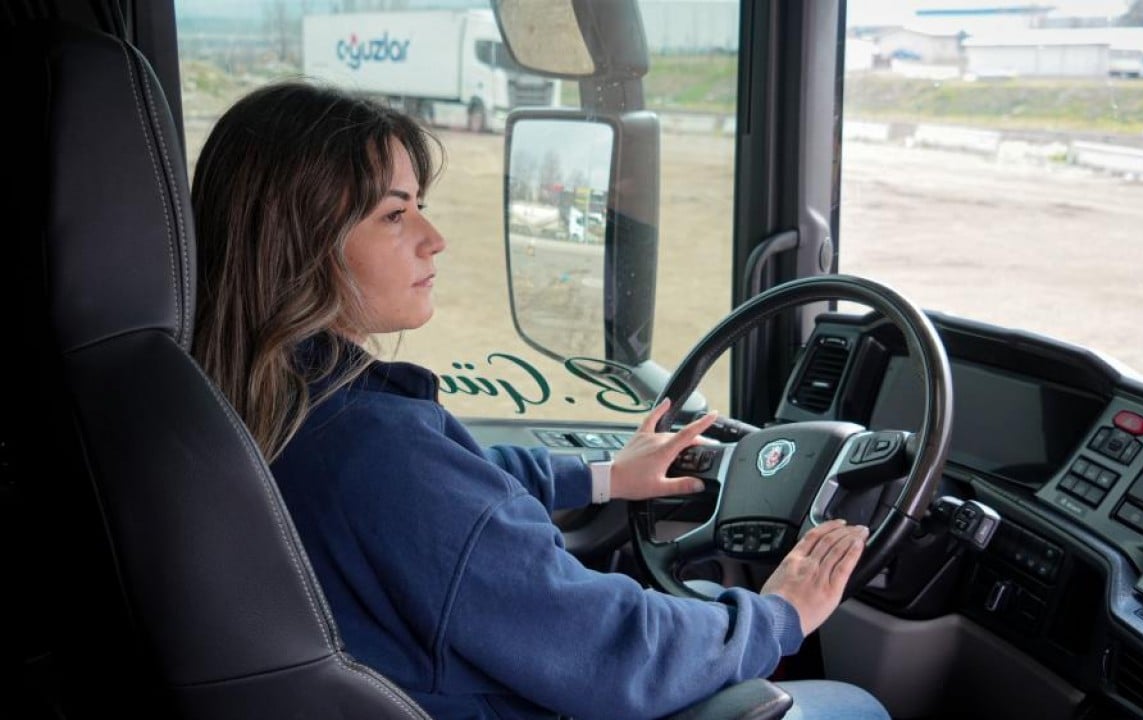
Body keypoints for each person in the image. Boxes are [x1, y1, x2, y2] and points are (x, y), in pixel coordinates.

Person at [191, 80, 889, 720]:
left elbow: (456, 489)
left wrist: (602, 477)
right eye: (396, 215)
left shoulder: (262, 402)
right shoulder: (375, 450)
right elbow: (611, 652)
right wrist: (780, 615)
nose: (435, 240)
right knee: (852, 705)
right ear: (302, 243)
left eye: (420, 208)